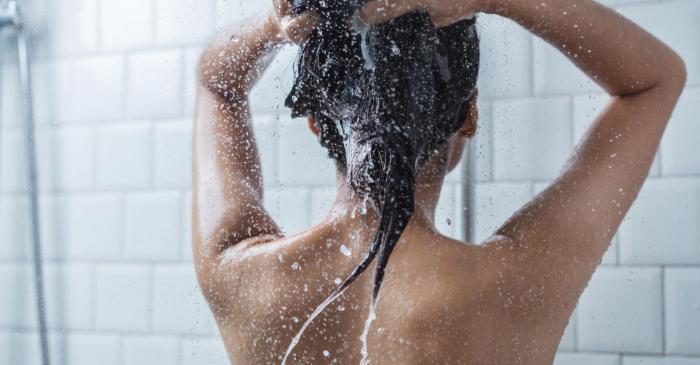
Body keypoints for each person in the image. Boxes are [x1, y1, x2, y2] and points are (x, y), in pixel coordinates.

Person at [192, 0, 687, 363]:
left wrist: (278, 23)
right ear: (469, 114)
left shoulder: (239, 271)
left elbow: (217, 82)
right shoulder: (515, 286)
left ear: (318, 122)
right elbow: (655, 80)